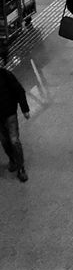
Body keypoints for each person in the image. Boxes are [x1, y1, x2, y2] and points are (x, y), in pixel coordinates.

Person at [0, 52, 29, 183]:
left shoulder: (6, 75)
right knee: (4, 141)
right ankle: (12, 159)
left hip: (9, 113)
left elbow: (19, 91)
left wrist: (25, 109)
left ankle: (20, 167)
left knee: (14, 140)